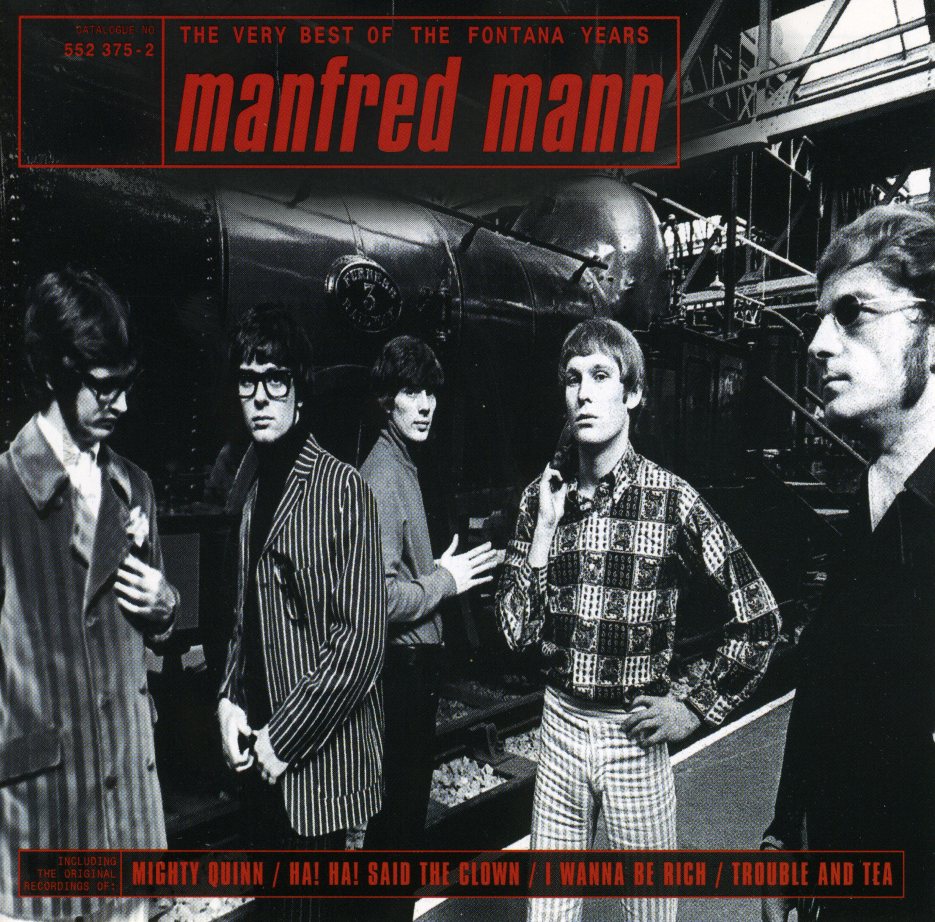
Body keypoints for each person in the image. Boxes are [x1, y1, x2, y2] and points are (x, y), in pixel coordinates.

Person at [497, 317, 781, 922]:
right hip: (560, 729)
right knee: (548, 912)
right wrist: (544, 529)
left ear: (633, 394)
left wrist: (693, 706)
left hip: (634, 737)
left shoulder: (671, 500)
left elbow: (759, 617)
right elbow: (516, 635)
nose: (583, 393)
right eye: (573, 378)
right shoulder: (539, 500)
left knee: (650, 911)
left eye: (601, 376)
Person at [762, 204, 935, 922]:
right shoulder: (868, 501)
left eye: (852, 313)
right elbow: (823, 690)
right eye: (817, 318)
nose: (816, 344)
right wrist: (784, 835)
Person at [0, 269, 178, 922]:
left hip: (129, 810)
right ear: (55, 374)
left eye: (127, 385)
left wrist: (165, 608)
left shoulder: (135, 487)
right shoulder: (5, 495)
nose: (122, 406)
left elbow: (151, 633)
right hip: (45, 820)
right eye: (105, 388)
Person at [217, 305, 385, 920]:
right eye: (247, 380)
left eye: (276, 379)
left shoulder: (343, 490)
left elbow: (361, 644)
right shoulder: (253, 494)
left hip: (314, 771)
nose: (260, 397)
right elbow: (245, 621)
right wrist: (228, 700)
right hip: (259, 759)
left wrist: (282, 741)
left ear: (300, 391)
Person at [360, 336, 498, 921]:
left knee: (398, 823)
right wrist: (444, 580)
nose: (425, 405)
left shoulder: (398, 465)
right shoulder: (383, 476)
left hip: (411, 670)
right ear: (386, 400)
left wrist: (434, 569)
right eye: (411, 392)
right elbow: (378, 598)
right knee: (398, 827)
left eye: (431, 393)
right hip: (402, 673)